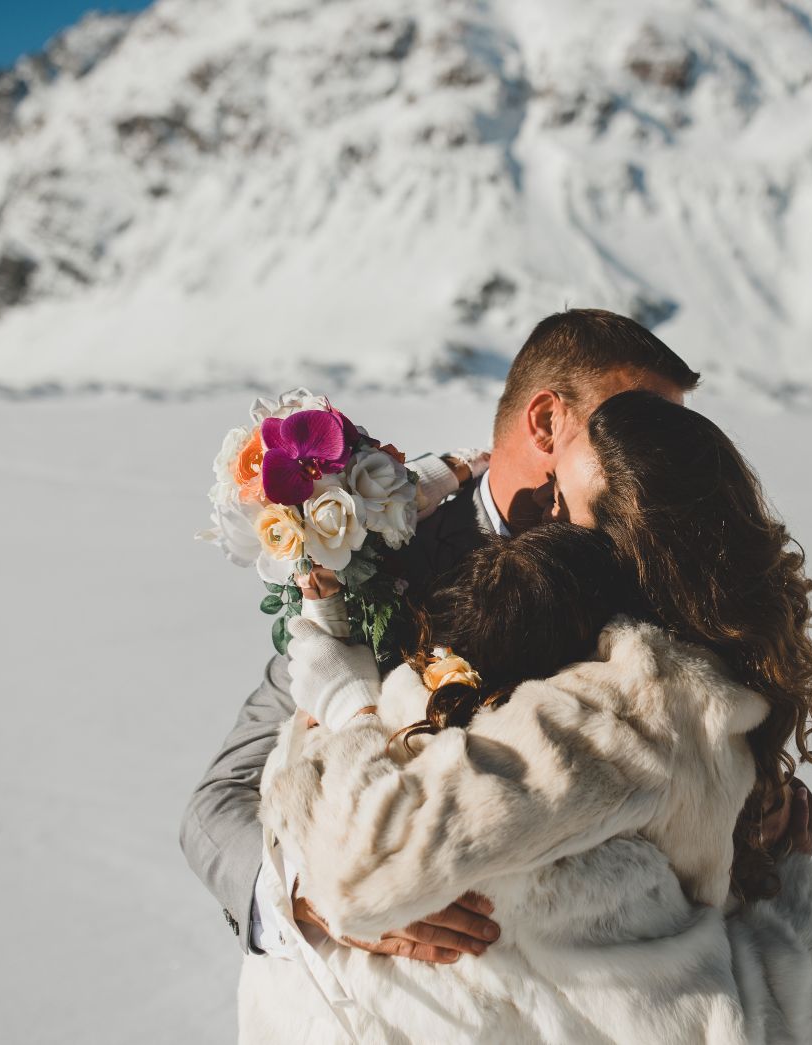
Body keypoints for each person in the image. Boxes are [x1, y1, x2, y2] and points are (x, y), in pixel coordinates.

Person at [244, 428, 812, 1041]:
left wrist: (346, 712)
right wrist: (785, 892)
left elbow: (338, 841)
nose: (541, 509)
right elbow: (770, 1022)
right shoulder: (679, 769)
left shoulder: (375, 761)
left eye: (561, 505)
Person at [180, 309, 708, 961]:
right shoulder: (376, 562)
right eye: (632, 427)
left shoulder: (660, 567)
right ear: (545, 421)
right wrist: (312, 895)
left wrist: (759, 802)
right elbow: (219, 799)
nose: (657, 463)